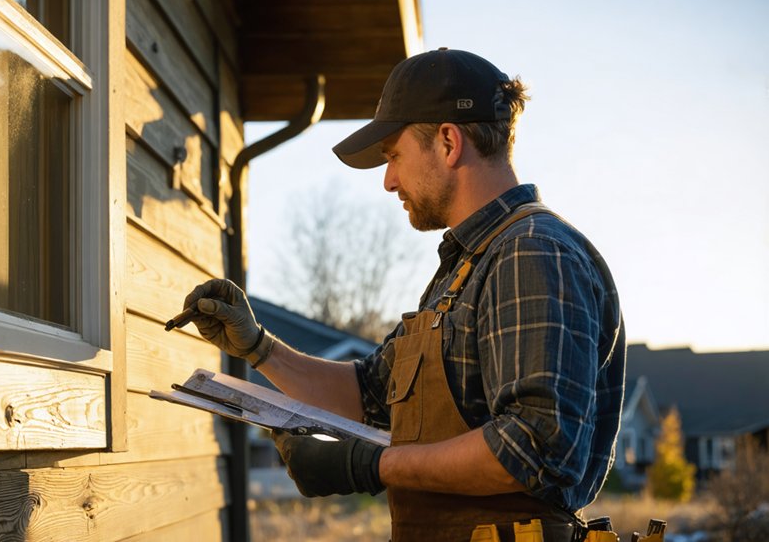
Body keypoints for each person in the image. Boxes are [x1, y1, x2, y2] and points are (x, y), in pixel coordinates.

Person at [180, 48, 626, 542]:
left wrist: (370, 465)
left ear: (449, 142)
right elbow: (369, 395)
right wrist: (259, 348)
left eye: (394, 155)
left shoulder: (531, 253)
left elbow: (535, 447)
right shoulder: (464, 268)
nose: (389, 180)